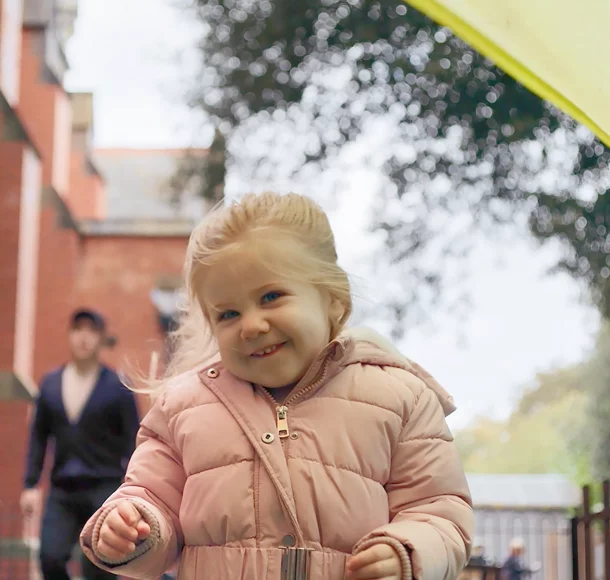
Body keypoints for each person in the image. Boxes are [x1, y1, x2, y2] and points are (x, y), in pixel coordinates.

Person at [79, 192, 474, 580]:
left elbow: (439, 511)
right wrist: (133, 528)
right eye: (228, 313)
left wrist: (406, 550)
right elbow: (152, 497)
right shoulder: (182, 409)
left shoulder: (400, 398)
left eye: (271, 296)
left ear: (333, 299)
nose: (251, 325)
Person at [21, 309, 140, 580]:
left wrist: (134, 488)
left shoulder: (118, 387)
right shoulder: (51, 384)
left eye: (91, 331)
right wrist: (30, 484)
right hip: (62, 489)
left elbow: (135, 441)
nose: (84, 338)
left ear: (101, 339)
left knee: (100, 566)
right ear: (70, 336)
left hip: (105, 488)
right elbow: (39, 437)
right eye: (78, 330)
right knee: (49, 557)